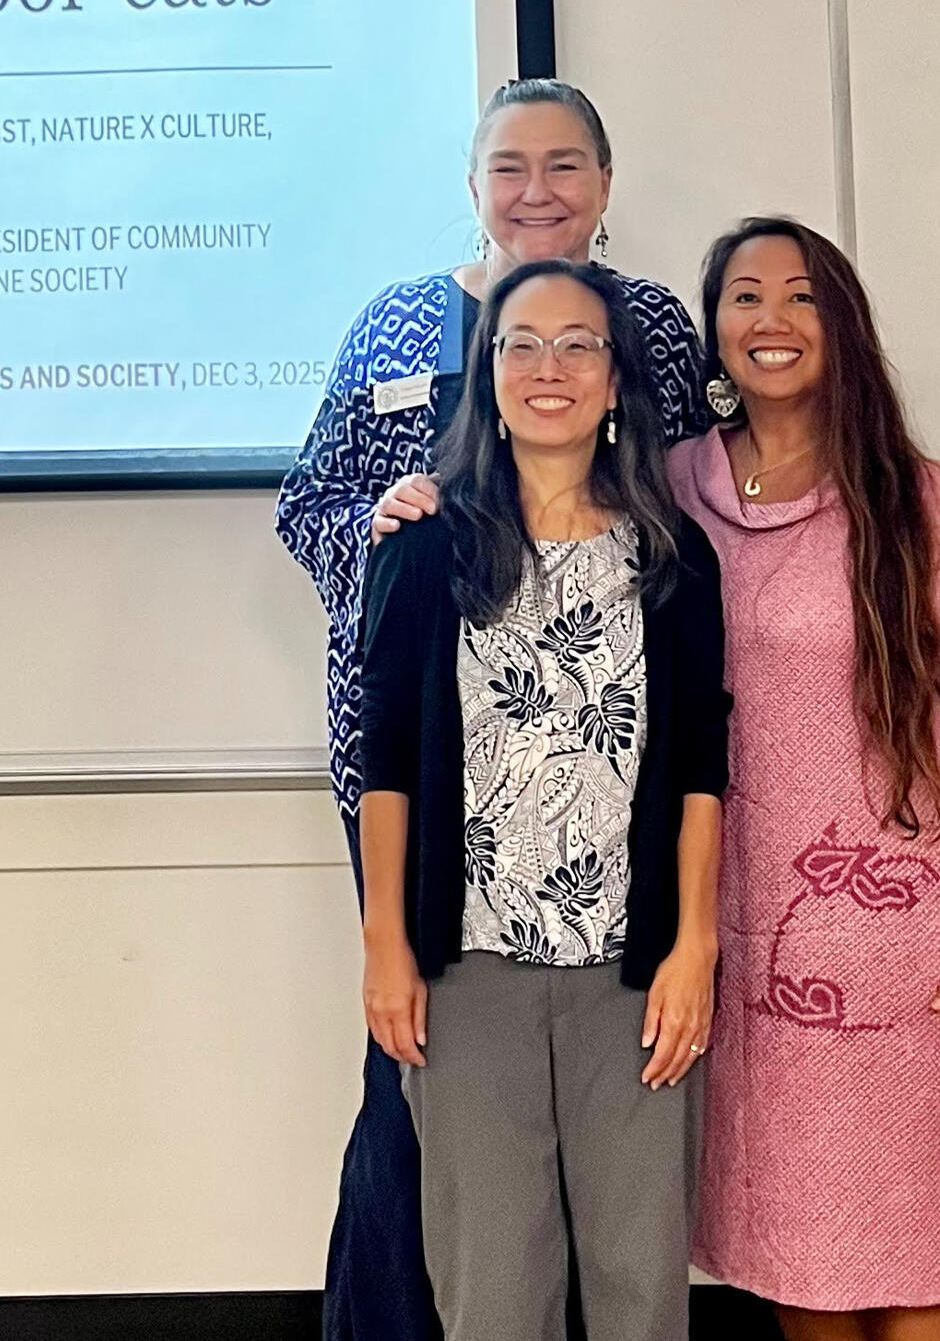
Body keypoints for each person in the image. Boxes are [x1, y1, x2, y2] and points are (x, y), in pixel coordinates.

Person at [275, 78, 707, 1341]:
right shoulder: (395, 326)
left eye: (565, 164)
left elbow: (684, 514)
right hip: (415, 773)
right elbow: (311, 505)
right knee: (418, 1086)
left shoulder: (661, 332)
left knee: (613, 1128)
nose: (537, 191)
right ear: (471, 186)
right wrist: (391, 540)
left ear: (607, 188)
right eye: (508, 166)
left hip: (609, 787)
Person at [360, 259, 729, 1341]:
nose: (550, 367)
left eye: (579, 345)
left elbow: (703, 765)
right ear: (490, 374)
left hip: (635, 977)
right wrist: (385, 938)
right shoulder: (427, 549)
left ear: (617, 382)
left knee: (638, 1292)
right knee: (491, 1295)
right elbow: (388, 759)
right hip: (466, 973)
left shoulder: (674, 556)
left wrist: (694, 945)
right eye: (522, 344)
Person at [669, 218, 940, 1340]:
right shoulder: (671, 486)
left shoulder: (912, 499)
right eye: (744, 296)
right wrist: (418, 504)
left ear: (843, 322)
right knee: (797, 1258)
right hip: (739, 930)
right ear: (715, 329)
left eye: (800, 296)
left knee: (915, 1261)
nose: (770, 320)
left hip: (899, 930)